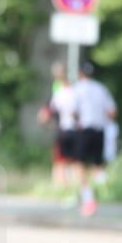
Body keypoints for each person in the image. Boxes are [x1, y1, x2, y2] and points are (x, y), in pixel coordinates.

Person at [72, 62, 117, 217]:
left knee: (79, 165)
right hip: (100, 130)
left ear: (80, 73)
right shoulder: (101, 88)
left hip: (84, 130)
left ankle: (89, 198)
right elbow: (112, 112)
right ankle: (105, 188)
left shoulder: (77, 88)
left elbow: (73, 111)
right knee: (98, 165)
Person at [38, 61, 78, 193]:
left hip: (64, 128)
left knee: (63, 159)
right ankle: (67, 187)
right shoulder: (69, 88)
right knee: (67, 159)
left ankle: (64, 188)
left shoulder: (61, 89)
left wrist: (47, 122)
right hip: (66, 128)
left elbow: (45, 113)